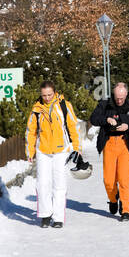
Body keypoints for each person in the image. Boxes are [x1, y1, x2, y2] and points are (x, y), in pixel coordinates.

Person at [26, 81, 82, 229]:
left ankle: (58, 217)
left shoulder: (64, 105)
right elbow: (30, 131)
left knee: (59, 184)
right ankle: (45, 215)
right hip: (43, 150)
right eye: (44, 95)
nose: (47, 98)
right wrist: (30, 150)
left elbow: (73, 126)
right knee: (42, 183)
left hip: (61, 150)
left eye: (49, 94)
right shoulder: (36, 109)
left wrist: (77, 147)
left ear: (55, 92)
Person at [90, 82, 129, 221]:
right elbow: (93, 119)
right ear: (114, 95)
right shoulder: (105, 105)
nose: (119, 100)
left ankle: (126, 210)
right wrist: (106, 119)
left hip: (124, 144)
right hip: (109, 143)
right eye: (117, 97)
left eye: (122, 98)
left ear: (126, 95)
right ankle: (113, 199)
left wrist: (128, 126)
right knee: (109, 180)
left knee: (123, 178)